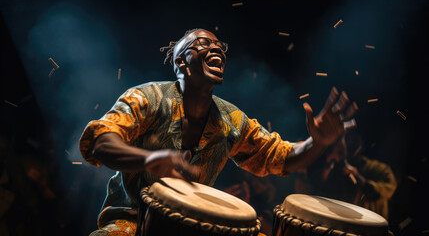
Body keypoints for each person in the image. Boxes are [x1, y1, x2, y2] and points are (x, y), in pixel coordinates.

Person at [79, 28, 358, 235]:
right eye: (203, 43)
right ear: (181, 62)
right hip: (131, 221)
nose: (217, 49)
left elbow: (281, 156)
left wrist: (317, 143)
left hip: (195, 225)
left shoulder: (232, 119)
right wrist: (146, 160)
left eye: (219, 45)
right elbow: (102, 142)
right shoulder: (147, 97)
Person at [294, 129, 397, 220]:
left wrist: (361, 180)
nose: (351, 144)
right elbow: (318, 188)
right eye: (347, 141)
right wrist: (328, 163)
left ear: (362, 145)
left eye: (355, 141)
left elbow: (388, 188)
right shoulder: (337, 167)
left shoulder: (378, 168)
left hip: (370, 226)